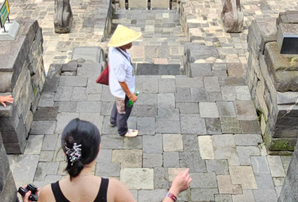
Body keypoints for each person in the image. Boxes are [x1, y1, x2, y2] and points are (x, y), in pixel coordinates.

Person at [19, 118, 192, 202]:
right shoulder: (112, 189)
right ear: (98, 150)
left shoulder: (48, 193)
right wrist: (174, 190)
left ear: (65, 152)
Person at [108, 25, 141, 137]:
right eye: (129, 41)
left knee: (118, 103)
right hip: (122, 90)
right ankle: (122, 131)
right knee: (123, 110)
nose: (131, 43)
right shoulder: (119, 61)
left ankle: (113, 120)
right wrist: (130, 95)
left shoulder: (113, 49)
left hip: (117, 89)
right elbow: (122, 81)